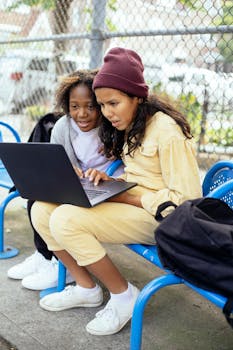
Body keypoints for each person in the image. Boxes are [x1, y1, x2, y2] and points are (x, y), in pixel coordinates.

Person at [31, 47, 202, 335]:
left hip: (162, 220)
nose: (107, 113)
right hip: (130, 202)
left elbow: (188, 202)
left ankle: (124, 296)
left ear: (136, 96)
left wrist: (128, 196)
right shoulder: (133, 124)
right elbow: (138, 175)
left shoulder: (167, 132)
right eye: (103, 105)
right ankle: (86, 288)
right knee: (42, 209)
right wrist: (109, 182)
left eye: (113, 103)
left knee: (66, 220)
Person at [8, 69, 122, 291]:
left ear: (100, 105)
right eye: (75, 107)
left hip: (106, 187)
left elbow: (124, 165)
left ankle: (60, 264)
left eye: (90, 106)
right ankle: (47, 258)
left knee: (57, 213)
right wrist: (68, 170)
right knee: (37, 199)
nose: (82, 114)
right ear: (66, 106)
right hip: (79, 186)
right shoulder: (63, 127)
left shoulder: (112, 127)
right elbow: (63, 163)